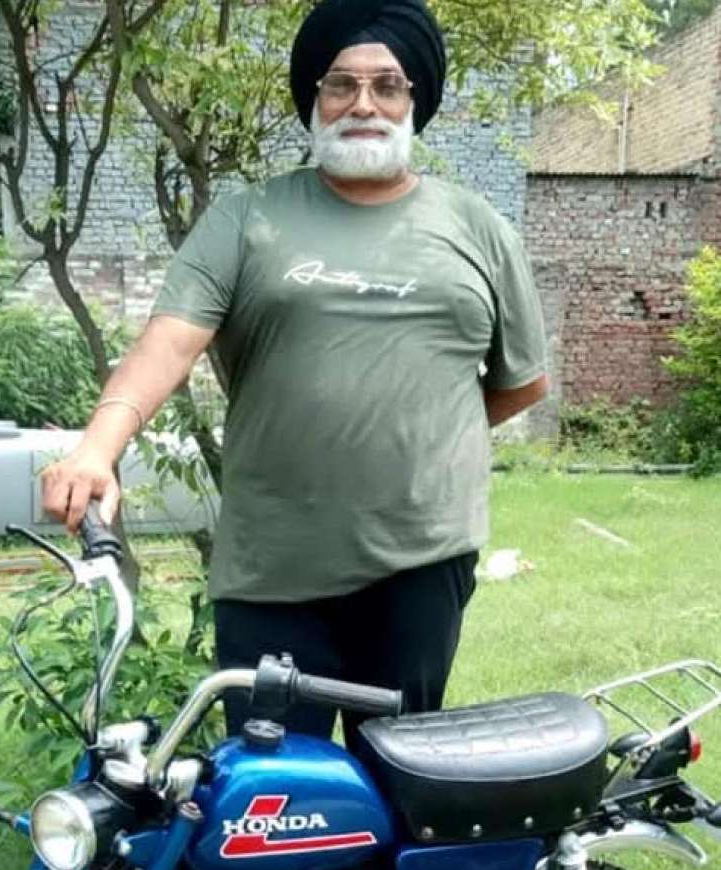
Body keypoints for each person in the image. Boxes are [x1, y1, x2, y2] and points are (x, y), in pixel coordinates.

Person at [42, 0, 549, 742]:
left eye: (387, 85)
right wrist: (96, 448)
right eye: (341, 84)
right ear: (314, 98)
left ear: (415, 101)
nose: (364, 104)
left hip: (420, 560)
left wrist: (424, 429)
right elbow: (167, 345)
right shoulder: (249, 219)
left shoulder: (478, 228)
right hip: (271, 569)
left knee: (400, 773)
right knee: (272, 788)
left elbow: (521, 380)